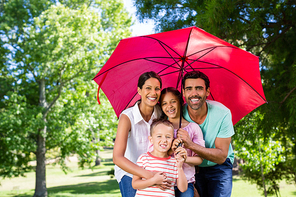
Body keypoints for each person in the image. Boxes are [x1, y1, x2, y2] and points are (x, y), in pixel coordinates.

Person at [175, 71, 235, 197]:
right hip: (193, 168)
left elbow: (221, 156)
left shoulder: (222, 114)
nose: (194, 93)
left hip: (219, 167)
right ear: (184, 92)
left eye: (199, 88)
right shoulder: (178, 116)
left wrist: (191, 145)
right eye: (189, 89)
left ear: (207, 91)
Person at [113, 71, 170, 197]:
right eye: (148, 88)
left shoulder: (161, 113)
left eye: (157, 89)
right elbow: (117, 157)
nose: (153, 93)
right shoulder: (127, 117)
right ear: (139, 90)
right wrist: (150, 176)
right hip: (130, 172)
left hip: (156, 170)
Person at [160, 87, 205, 197]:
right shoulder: (159, 128)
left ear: (180, 102)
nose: (169, 106)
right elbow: (154, 154)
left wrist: (185, 158)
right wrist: (170, 150)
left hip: (186, 181)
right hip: (164, 182)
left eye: (173, 101)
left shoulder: (193, 128)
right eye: (164, 103)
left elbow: (200, 159)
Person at [132, 118, 188, 196]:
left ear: (172, 140)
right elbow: (135, 184)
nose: (164, 140)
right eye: (159, 136)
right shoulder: (143, 158)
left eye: (168, 137)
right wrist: (154, 180)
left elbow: (183, 188)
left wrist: (180, 167)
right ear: (151, 140)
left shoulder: (174, 162)